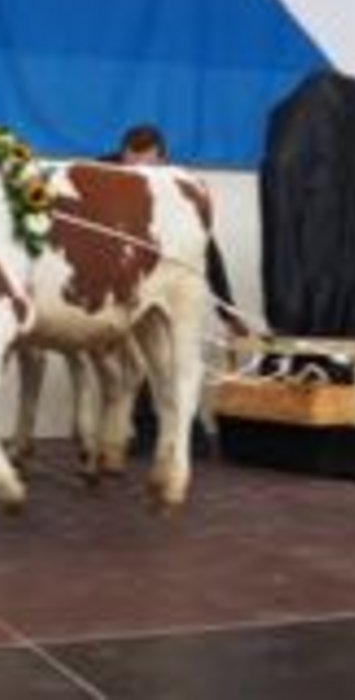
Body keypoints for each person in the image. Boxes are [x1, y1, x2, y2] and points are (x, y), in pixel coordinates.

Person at [107, 124, 240, 459]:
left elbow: (208, 250)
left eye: (148, 169)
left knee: (169, 358)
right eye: (131, 167)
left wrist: (228, 311)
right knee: (133, 362)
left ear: (163, 162)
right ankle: (141, 429)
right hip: (118, 291)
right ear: (121, 158)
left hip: (167, 286)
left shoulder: (177, 190)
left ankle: (186, 432)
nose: (140, 177)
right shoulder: (102, 180)